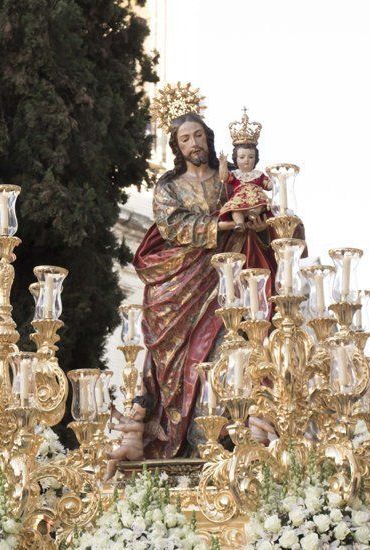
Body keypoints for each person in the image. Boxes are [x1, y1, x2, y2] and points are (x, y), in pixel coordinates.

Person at [134, 112, 279, 459]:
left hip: (226, 283)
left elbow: (255, 207)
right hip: (180, 282)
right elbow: (172, 225)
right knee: (174, 362)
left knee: (224, 355)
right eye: (185, 139)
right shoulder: (168, 187)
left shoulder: (227, 179)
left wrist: (256, 222)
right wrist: (222, 225)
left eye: (198, 136)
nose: (194, 143)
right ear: (177, 146)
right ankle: (172, 433)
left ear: (208, 138)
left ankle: (217, 440)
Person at [104, 395, 153, 481]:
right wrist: (113, 410)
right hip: (126, 454)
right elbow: (120, 417)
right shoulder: (129, 420)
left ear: (145, 416)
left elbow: (124, 428)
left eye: (138, 414)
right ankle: (108, 475)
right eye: (133, 409)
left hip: (135, 453)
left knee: (125, 449)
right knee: (113, 462)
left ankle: (111, 455)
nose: (133, 414)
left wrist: (114, 426)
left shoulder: (139, 425)